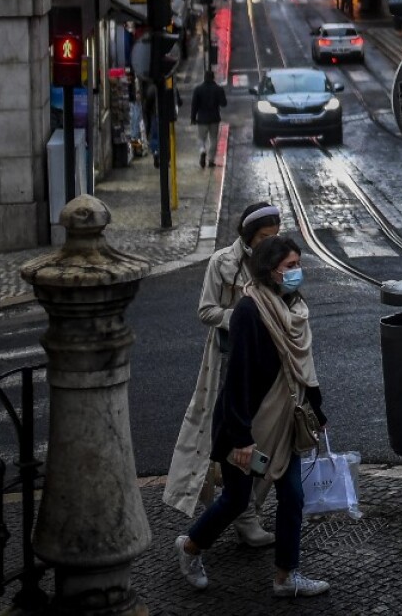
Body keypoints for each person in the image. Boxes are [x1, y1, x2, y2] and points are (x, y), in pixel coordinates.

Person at [175, 235, 331, 598]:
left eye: (298, 264)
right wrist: (242, 438)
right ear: (270, 270)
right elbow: (238, 378)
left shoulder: (295, 306)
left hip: (285, 422)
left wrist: (318, 411)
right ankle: (190, 548)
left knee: (292, 496)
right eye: (290, 265)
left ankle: (285, 576)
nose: (297, 271)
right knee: (236, 499)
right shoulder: (249, 311)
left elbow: (303, 368)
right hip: (247, 426)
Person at [164, 203, 284, 548]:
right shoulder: (222, 262)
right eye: (264, 237)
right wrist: (243, 317)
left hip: (266, 361)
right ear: (248, 236)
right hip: (227, 359)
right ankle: (233, 508)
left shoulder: (275, 261)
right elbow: (206, 310)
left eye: (274, 236)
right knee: (228, 434)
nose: (269, 243)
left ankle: (248, 510)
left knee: (268, 435)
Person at [190, 70, 228, 168]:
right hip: (214, 118)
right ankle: (211, 160)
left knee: (201, 139)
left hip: (202, 119)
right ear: (213, 77)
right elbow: (224, 104)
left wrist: (193, 118)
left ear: (204, 78)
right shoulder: (218, 89)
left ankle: (202, 150)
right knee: (213, 139)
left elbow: (194, 105)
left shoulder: (198, 89)